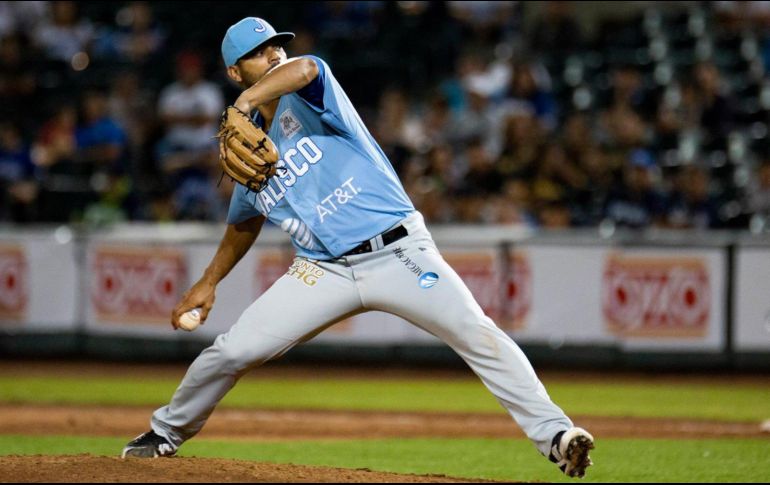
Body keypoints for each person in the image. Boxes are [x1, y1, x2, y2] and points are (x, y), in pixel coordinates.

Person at [121, 17, 595, 478]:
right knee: (231, 352)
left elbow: (307, 67)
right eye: (258, 52)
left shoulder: (311, 95)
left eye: (276, 46)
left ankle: (557, 436)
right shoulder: (249, 150)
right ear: (233, 70)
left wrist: (245, 102)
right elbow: (244, 223)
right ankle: (165, 431)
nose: (273, 54)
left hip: (397, 252)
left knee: (477, 332)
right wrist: (208, 282)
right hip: (321, 271)